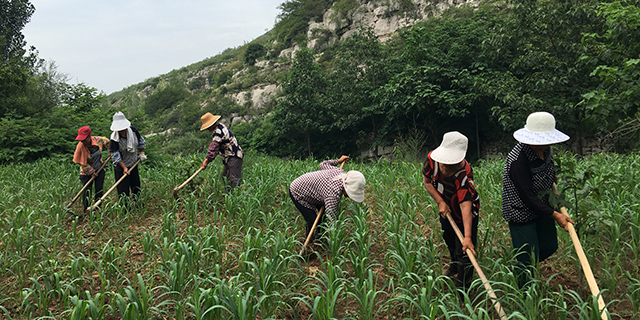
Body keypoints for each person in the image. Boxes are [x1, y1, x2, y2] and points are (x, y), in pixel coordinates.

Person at [502, 111, 574, 289]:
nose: (545, 143)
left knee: (550, 245)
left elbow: (547, 166)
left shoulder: (546, 148)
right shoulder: (518, 160)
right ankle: (525, 294)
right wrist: (556, 214)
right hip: (522, 211)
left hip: (542, 205)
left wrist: (550, 176)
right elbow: (527, 195)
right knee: (526, 258)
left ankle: (526, 264)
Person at [422, 131, 480, 296]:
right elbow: (427, 182)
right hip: (446, 206)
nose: (445, 168)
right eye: (444, 164)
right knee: (449, 237)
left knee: (465, 252)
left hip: (466, 212)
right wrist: (440, 202)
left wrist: (467, 237)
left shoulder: (464, 173)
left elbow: (465, 205)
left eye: (450, 165)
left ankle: (463, 293)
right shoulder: (432, 160)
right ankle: (454, 265)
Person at [289, 156, 366, 247]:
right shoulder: (333, 194)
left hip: (315, 192)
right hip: (298, 192)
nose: (347, 196)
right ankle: (310, 241)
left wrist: (338, 161)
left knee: (321, 218)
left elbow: (323, 164)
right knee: (313, 220)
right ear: (346, 187)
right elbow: (331, 219)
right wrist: (335, 240)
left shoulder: (339, 172)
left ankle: (318, 240)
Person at [108, 112, 146, 209]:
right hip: (121, 167)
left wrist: (142, 153)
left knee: (135, 185)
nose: (122, 131)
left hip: (133, 162)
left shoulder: (133, 131)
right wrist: (124, 167)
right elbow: (115, 155)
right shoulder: (114, 139)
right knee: (123, 189)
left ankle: (138, 205)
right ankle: (125, 209)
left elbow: (141, 141)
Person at [199, 112, 244, 190]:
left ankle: (236, 199)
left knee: (234, 180)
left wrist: (206, 161)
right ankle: (229, 197)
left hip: (234, 156)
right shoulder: (220, 127)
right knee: (225, 176)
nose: (207, 129)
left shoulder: (218, 132)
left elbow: (214, 147)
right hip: (229, 157)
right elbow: (217, 148)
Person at [72, 126, 110, 211]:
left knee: (99, 189)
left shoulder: (98, 140)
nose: (82, 141)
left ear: (89, 136)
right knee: (87, 191)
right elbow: (81, 163)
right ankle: (86, 210)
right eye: (81, 140)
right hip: (86, 172)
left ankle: (97, 208)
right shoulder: (80, 146)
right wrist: (91, 171)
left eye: (84, 139)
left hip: (100, 169)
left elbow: (107, 142)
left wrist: (110, 151)